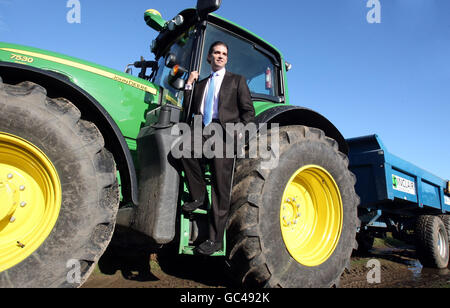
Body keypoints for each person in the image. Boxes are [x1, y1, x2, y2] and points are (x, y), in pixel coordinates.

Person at [181, 41, 255, 255]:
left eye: (224, 53)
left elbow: (248, 112)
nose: (220, 56)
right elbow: (190, 108)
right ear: (209, 57)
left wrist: (239, 134)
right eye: (216, 52)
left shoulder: (236, 81)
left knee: (221, 189)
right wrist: (189, 84)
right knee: (184, 150)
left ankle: (215, 240)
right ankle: (199, 196)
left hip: (225, 133)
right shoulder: (202, 83)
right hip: (203, 130)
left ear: (226, 58)